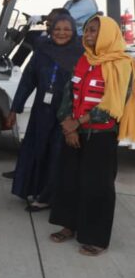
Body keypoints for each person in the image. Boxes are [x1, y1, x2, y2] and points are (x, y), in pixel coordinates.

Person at [49, 15, 135, 256]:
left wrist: (77, 123)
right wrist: (67, 124)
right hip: (74, 132)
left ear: (107, 34)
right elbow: (69, 93)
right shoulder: (84, 59)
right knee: (69, 180)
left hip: (100, 136)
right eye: (87, 30)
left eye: (94, 31)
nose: (88, 35)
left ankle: (96, 238)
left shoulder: (122, 65)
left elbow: (112, 106)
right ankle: (69, 225)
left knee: (97, 187)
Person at [6, 9, 83, 211]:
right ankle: (32, 189)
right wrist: (15, 108)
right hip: (41, 111)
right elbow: (27, 80)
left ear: (74, 31)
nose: (61, 33)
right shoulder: (42, 50)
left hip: (65, 115)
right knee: (36, 150)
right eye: (57, 28)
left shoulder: (82, 54)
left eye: (66, 29)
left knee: (56, 155)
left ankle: (47, 197)